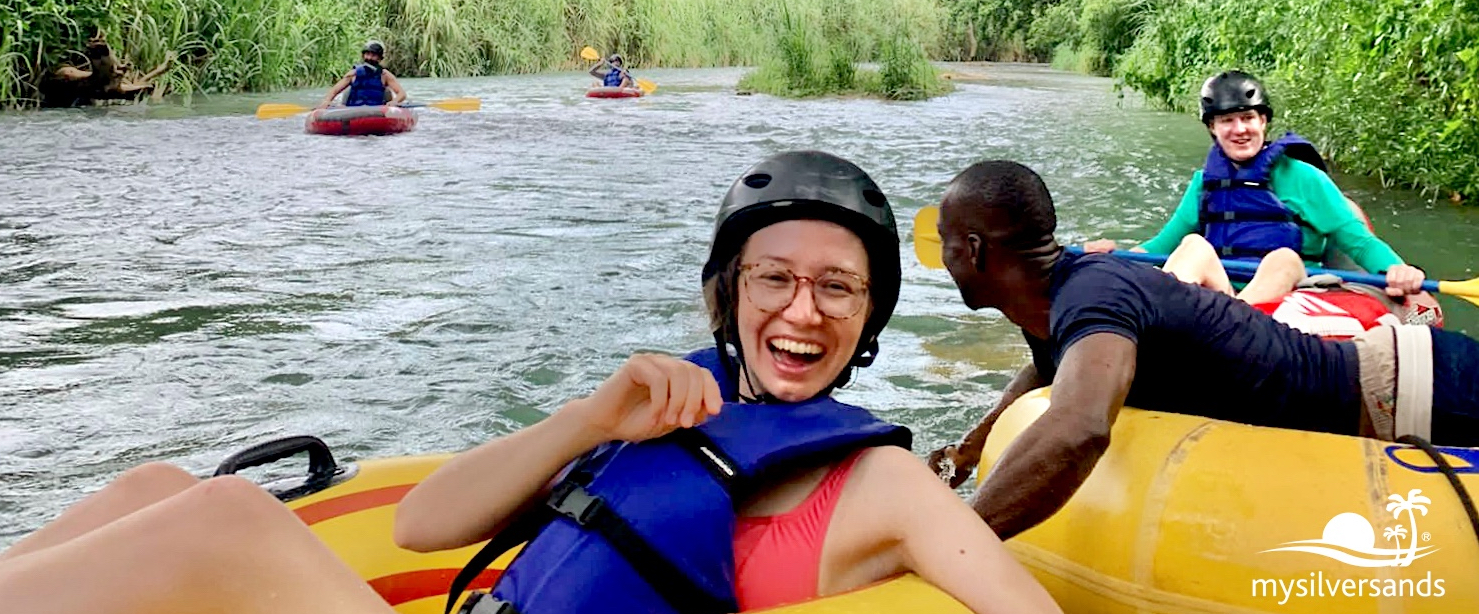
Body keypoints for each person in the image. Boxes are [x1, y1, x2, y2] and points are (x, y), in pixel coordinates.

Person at [0, 152, 1060, 614]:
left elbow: (1020, 601)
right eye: (775, 278)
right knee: (154, 483)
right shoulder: (668, 406)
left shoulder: (886, 484)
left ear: (869, 318)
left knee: (227, 513)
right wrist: (593, 415)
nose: (801, 310)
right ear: (729, 293)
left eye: (839, 289)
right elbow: (421, 526)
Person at [925, 159, 1479, 542]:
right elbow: (1045, 368)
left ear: (972, 250)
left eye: (944, 239)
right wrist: (968, 452)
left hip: (1403, 388)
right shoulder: (1055, 303)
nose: (941, 254)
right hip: (1394, 376)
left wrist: (954, 543)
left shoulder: (1091, 298)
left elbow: (1080, 428)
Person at [1083, 70, 1424, 304]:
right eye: (1227, 120)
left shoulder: (1303, 177)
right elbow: (1161, 246)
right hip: (1225, 291)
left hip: (1294, 291)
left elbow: (1358, 240)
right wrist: (1112, 259)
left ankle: (1233, 321)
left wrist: (1398, 269)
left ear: (1263, 121)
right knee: (1191, 246)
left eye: (1248, 117)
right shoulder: (1204, 183)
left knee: (1283, 258)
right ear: (1213, 128)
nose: (1239, 129)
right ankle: (1176, 323)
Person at [317, 40, 407, 109]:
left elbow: (402, 94)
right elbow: (334, 91)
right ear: (363, 56)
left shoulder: (385, 75)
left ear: (379, 58)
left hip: (376, 111)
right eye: (367, 54)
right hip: (353, 110)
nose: (369, 58)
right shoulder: (353, 74)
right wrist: (327, 101)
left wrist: (394, 101)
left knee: (387, 93)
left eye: (373, 55)